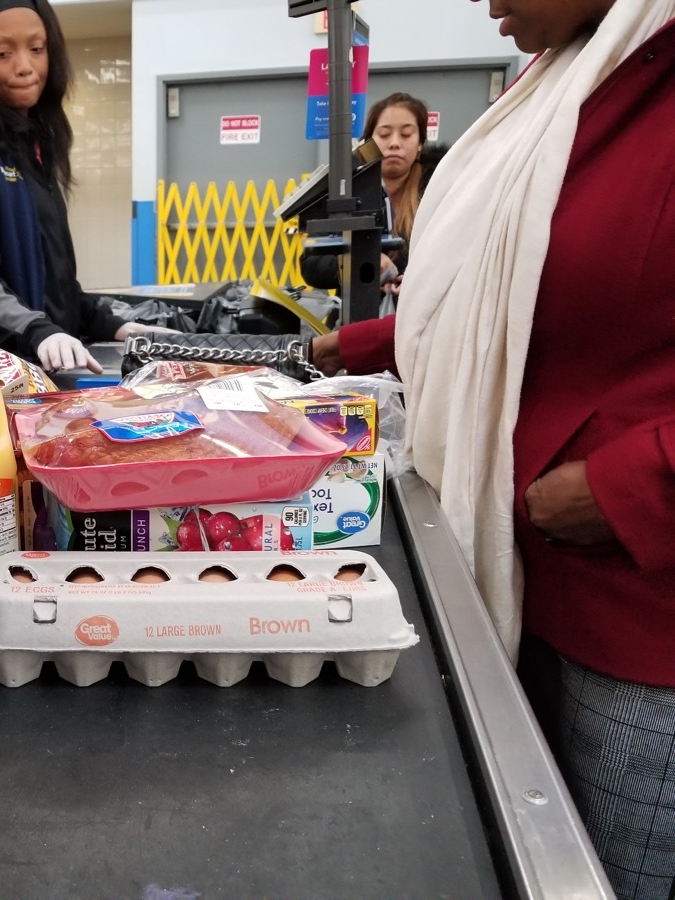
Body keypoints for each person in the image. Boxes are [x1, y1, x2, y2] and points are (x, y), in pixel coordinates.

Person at [311, 1, 675, 895]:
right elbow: (490, 300)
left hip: (634, 615)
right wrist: (338, 354)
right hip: (519, 578)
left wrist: (633, 484)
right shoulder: (569, 82)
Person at [0, 0, 165, 373]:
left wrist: (111, 323)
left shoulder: (35, 145)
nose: (25, 67)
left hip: (51, 365)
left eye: (37, 49)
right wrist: (38, 331)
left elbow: (56, 284)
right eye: (3, 53)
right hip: (4, 372)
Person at [299, 92, 447, 304]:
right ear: (368, 142)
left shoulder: (442, 190)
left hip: (419, 315)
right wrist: (357, 263)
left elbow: (458, 258)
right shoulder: (343, 190)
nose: (395, 143)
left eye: (406, 135)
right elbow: (312, 266)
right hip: (356, 318)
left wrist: (421, 282)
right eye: (384, 135)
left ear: (420, 143)